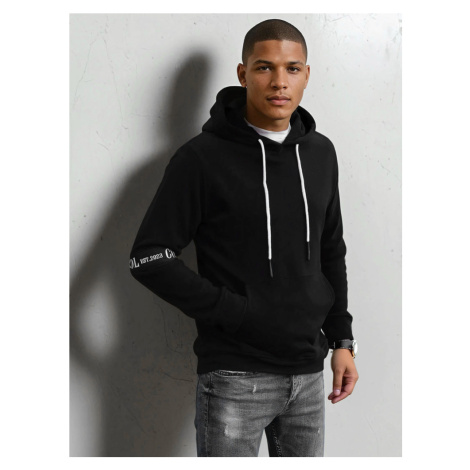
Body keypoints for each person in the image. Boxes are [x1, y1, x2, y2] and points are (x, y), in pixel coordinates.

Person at [129, 18, 359, 457]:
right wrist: (236, 311)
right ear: (243, 74)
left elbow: (331, 249)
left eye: (292, 68)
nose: (279, 81)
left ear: (307, 75)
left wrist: (342, 341)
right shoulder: (201, 158)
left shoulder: (320, 153)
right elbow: (148, 257)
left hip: (308, 375)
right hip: (234, 377)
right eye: (264, 67)